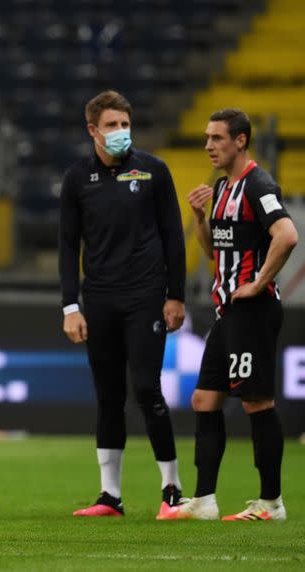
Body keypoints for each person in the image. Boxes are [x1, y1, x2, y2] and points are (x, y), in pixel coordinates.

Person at [160, 109, 297, 522]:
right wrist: (200, 219)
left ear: (240, 141)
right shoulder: (222, 188)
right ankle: (204, 500)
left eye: (217, 138)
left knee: (256, 402)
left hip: (252, 310)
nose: (208, 145)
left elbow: (287, 235)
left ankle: (272, 503)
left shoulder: (258, 184)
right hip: (228, 311)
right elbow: (212, 253)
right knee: (205, 398)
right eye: (206, 137)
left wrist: (257, 283)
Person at [58, 90, 187, 518]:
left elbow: (173, 235)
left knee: (147, 389)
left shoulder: (154, 171)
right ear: (93, 130)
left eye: (125, 124)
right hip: (99, 299)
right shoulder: (78, 178)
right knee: (108, 396)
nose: (120, 132)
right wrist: (69, 306)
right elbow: (66, 247)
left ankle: (172, 491)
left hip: (146, 296)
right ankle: (110, 496)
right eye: (112, 125)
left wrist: (176, 295)